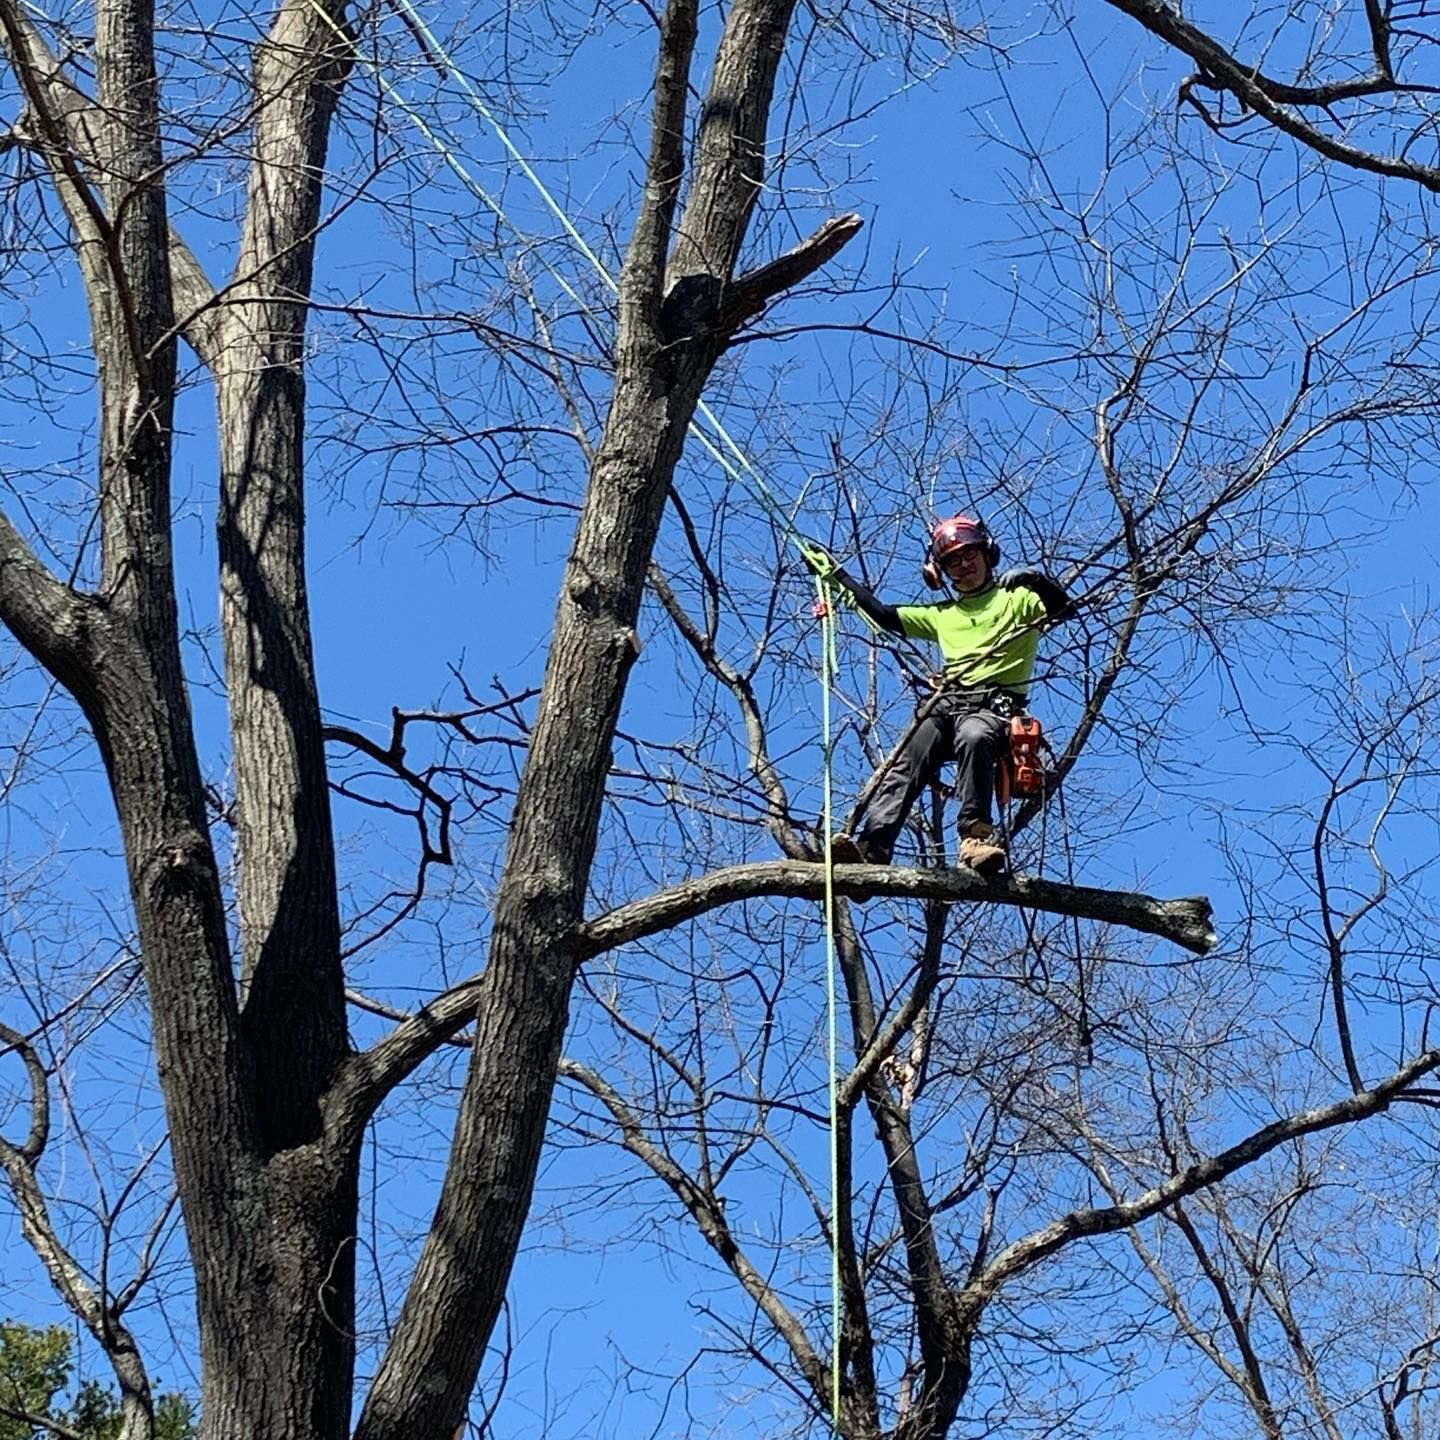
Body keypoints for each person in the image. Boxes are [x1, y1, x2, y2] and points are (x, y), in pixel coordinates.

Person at [806, 514, 1070, 876]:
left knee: (974, 735)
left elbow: (1063, 609)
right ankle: (872, 849)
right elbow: (883, 614)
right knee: (908, 757)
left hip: (992, 709)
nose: (963, 566)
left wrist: (1035, 579)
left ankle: (975, 839)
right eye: (952, 563)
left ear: (986, 553)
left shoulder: (1018, 601)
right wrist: (836, 575)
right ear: (940, 573)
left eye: (969, 556)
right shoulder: (942, 615)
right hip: (945, 705)